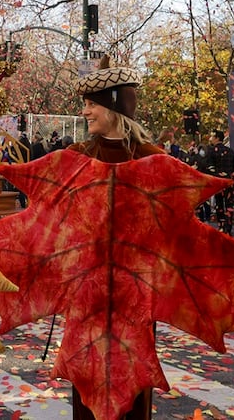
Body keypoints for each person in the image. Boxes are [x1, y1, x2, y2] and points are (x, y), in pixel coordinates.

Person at [68, 56, 164, 420]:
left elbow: (166, 228)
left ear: (113, 107)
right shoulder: (76, 157)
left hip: (134, 289)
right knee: (87, 371)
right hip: (87, 287)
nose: (85, 112)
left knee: (133, 372)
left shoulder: (153, 160)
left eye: (91, 104)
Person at [202, 130, 234, 235]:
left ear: (217, 138)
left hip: (218, 181)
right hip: (229, 181)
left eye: (212, 137)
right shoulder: (230, 151)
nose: (210, 139)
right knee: (229, 204)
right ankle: (228, 227)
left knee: (219, 203)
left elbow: (209, 167)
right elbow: (233, 167)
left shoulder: (211, 151)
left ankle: (221, 226)